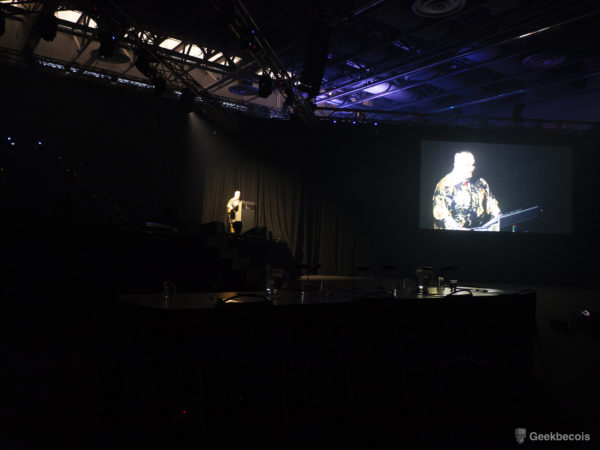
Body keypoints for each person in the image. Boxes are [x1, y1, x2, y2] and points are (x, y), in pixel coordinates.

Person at [433, 151, 500, 230]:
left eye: (473, 164)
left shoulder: (481, 182)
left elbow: (491, 203)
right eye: (468, 165)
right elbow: (441, 215)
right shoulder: (444, 185)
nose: (472, 168)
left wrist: (498, 215)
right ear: (457, 165)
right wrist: (458, 229)